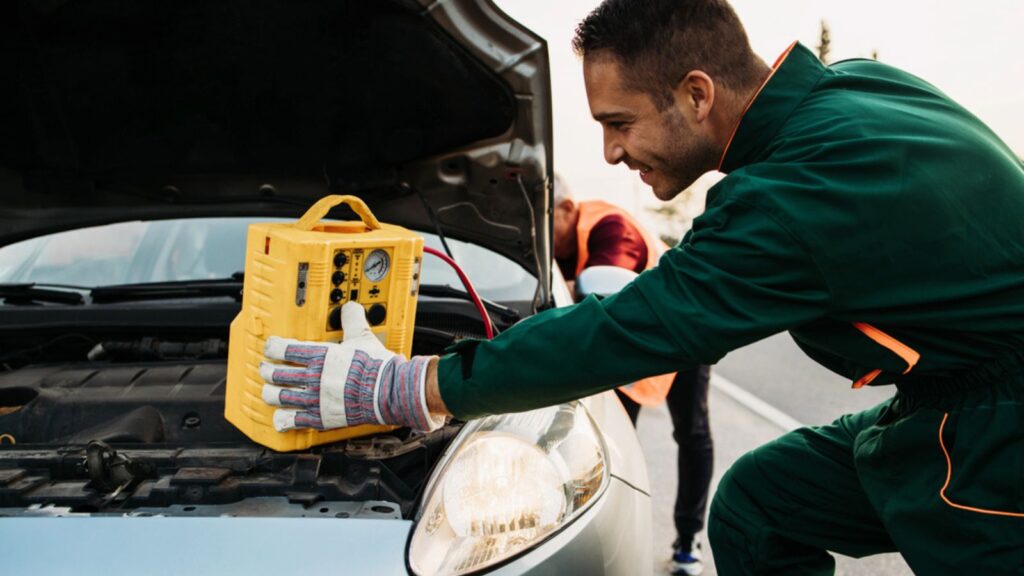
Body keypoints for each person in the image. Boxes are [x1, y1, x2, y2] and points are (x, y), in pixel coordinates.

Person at [259, 0, 1024, 573]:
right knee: (763, 500)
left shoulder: (799, 191)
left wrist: (416, 385)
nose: (611, 150)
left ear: (697, 94)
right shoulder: (855, 91)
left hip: (1002, 432)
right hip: (945, 395)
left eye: (619, 121)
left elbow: (627, 328)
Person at [553, 173, 714, 575]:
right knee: (614, 439)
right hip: (632, 338)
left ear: (567, 209)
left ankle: (689, 538)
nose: (540, 234)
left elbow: (607, 298)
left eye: (545, 220)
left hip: (685, 326)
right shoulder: (557, 245)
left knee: (691, 431)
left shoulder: (611, 227)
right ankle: (610, 536)